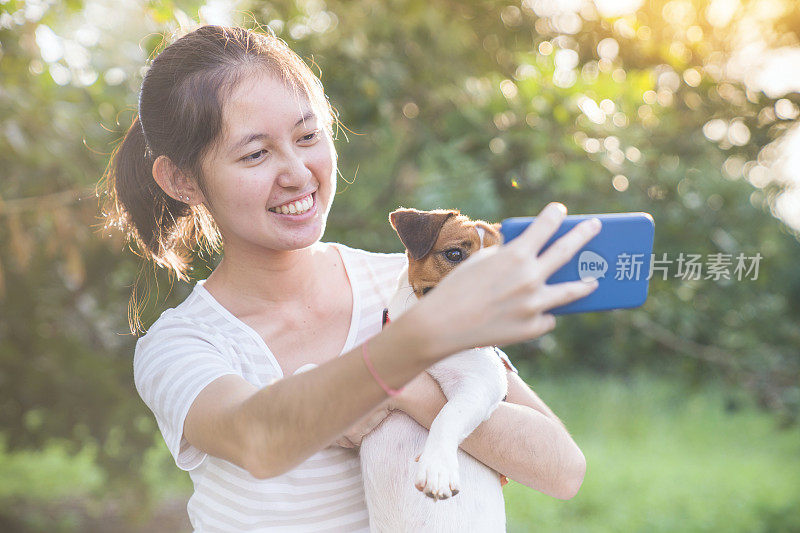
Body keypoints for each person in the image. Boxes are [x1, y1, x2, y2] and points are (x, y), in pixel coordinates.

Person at [99, 24, 601, 532]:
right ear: (181, 180)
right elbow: (259, 437)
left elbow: (562, 470)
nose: (297, 171)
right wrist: (415, 347)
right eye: (255, 153)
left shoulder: (412, 283)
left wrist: (402, 392)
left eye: (308, 136)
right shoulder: (182, 343)